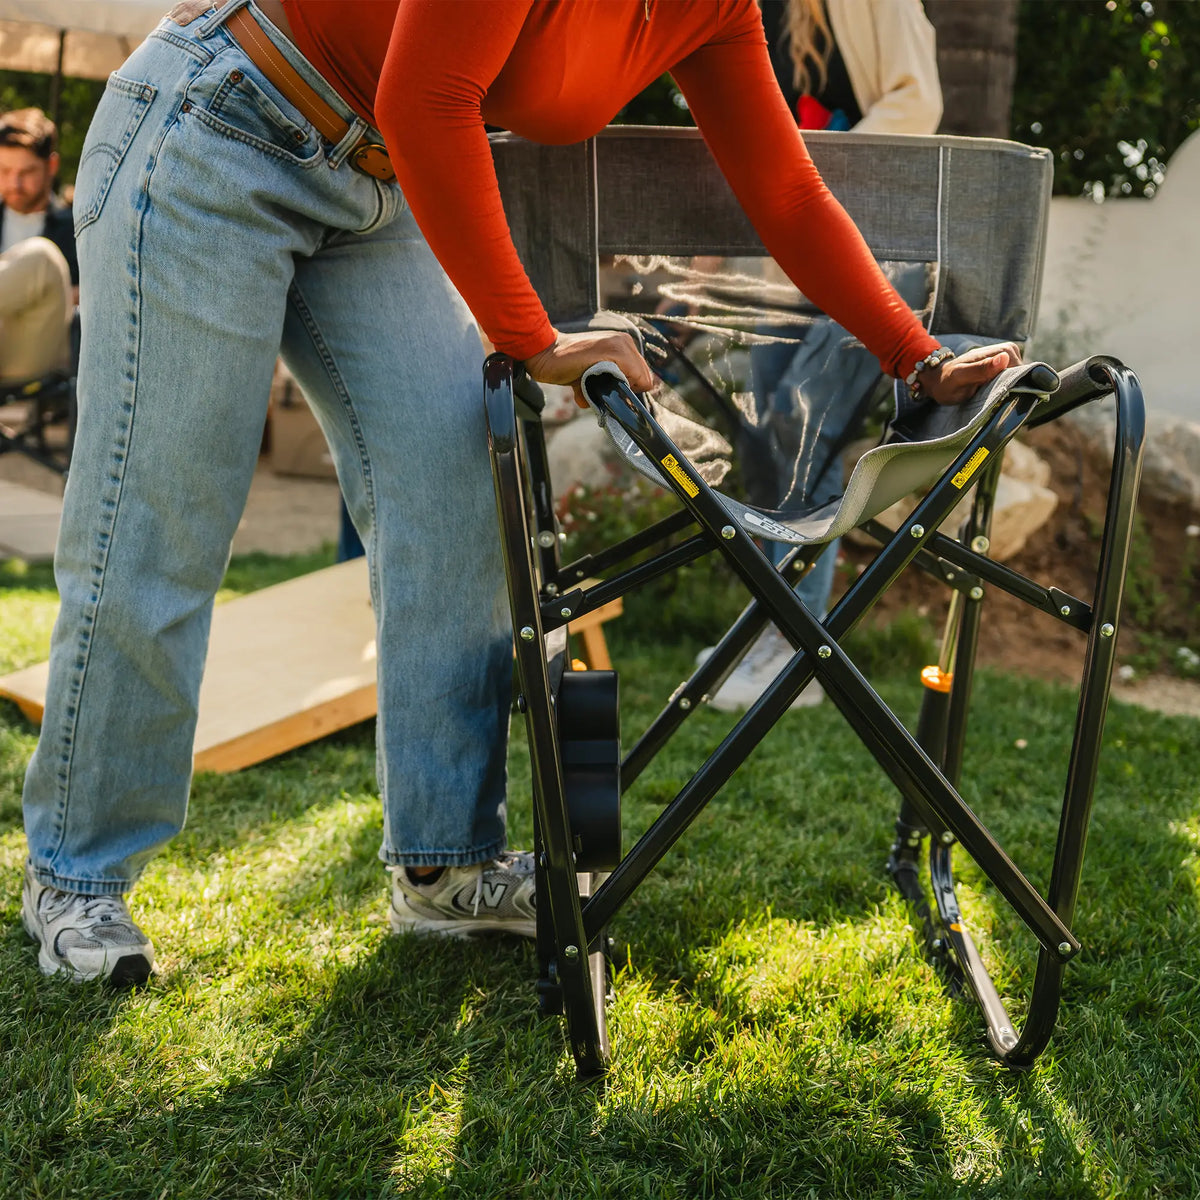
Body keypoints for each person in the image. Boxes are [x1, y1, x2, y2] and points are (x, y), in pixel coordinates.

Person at [20, 0, 1015, 985]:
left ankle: (444, 865)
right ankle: (78, 872)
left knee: (458, 504)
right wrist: (533, 340)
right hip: (219, 127)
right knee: (164, 514)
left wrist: (913, 356)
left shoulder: (721, 9)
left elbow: (783, 190)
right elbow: (429, 96)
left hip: (383, 188)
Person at [707, 0, 944, 712]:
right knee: (759, 436)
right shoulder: (755, 13)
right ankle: (765, 628)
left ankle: (795, 646)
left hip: (876, 254)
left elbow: (918, 100)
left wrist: (806, 173)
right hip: (795, 263)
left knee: (803, 426)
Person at [0, 109, 78, 383]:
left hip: (35, 354)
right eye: (5, 171)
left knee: (42, 257)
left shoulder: (77, 228)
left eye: (27, 171)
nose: (14, 183)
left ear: (51, 167)